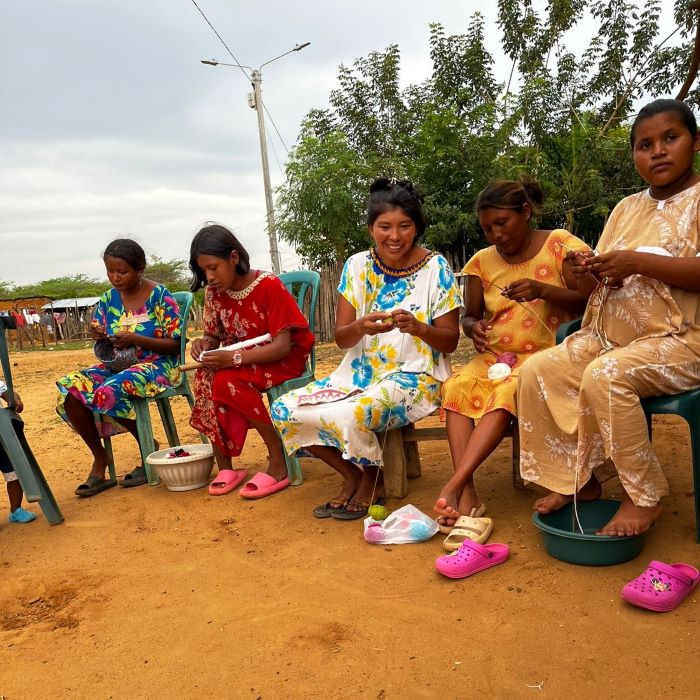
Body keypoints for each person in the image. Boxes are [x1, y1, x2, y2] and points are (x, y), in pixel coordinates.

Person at [517, 98, 700, 537]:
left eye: (669, 138)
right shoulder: (625, 208)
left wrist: (635, 262)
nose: (656, 151)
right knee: (537, 369)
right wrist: (592, 271)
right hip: (610, 336)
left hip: (683, 341)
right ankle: (580, 480)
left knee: (606, 376)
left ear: (696, 142)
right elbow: (601, 283)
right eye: (644, 144)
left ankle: (644, 496)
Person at [271, 178, 463, 519]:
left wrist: (419, 328)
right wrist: (360, 326)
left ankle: (373, 477)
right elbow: (342, 338)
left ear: (417, 227)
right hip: (357, 375)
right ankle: (353, 474)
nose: (395, 235)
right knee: (285, 408)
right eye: (384, 226)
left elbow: (450, 340)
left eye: (405, 226)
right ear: (371, 228)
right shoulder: (356, 266)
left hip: (416, 376)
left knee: (353, 413)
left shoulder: (436, 268)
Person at [432, 178, 590, 530]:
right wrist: (473, 328)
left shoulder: (560, 244)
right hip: (498, 356)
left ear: (525, 212)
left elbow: (589, 300)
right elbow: (469, 315)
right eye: (487, 228)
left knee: (505, 392)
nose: (495, 234)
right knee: (456, 386)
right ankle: (468, 492)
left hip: (548, 356)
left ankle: (454, 484)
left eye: (502, 224)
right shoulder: (480, 263)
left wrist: (542, 289)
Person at [188, 223, 314, 498]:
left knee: (228, 379)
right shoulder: (214, 293)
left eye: (213, 267)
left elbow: (282, 346)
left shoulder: (268, 285)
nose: (209, 277)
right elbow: (213, 335)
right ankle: (226, 465)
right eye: (203, 271)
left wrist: (232, 358)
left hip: (280, 359)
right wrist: (203, 346)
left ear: (233, 258)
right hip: (242, 360)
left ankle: (277, 456)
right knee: (206, 377)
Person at [57, 239, 182, 496]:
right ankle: (100, 458)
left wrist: (136, 339)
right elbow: (101, 332)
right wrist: (98, 334)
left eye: (122, 271)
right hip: (120, 364)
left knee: (111, 388)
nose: (115, 277)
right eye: (110, 271)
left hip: (160, 365)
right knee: (72, 388)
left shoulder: (159, 295)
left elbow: (176, 344)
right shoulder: (107, 299)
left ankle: (149, 447)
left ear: (139, 268)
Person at [0, 379, 36, 523]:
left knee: (13, 473)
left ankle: (16, 510)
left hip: (1, 437)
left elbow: (6, 392)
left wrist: (14, 399)